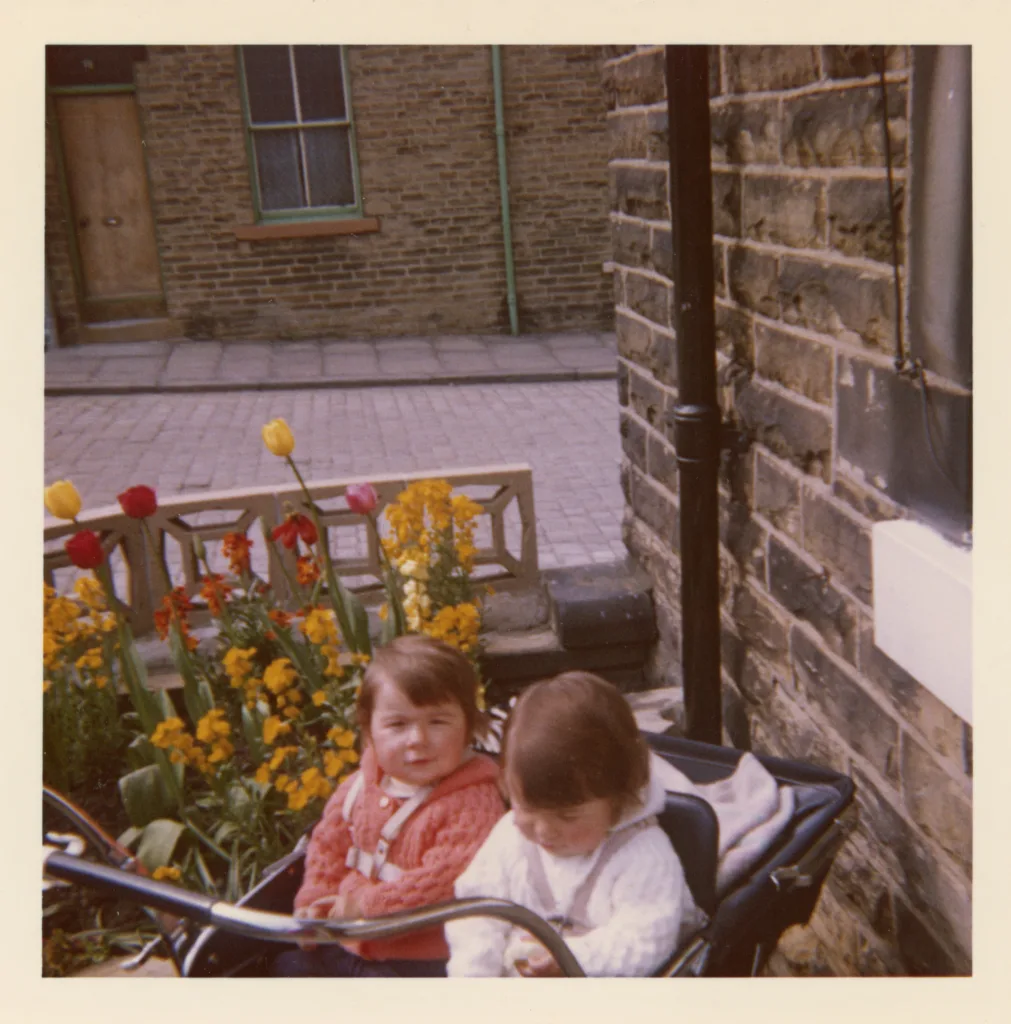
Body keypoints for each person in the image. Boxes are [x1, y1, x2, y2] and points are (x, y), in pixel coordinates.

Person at [271, 634, 504, 977]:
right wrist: (314, 899)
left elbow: (446, 882)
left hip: (420, 959)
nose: (417, 740)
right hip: (347, 939)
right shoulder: (360, 786)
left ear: (469, 726)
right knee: (285, 969)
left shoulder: (472, 802)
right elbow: (327, 847)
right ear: (369, 732)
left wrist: (368, 907)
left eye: (437, 722)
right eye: (397, 724)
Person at [445, 671, 703, 977]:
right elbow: (477, 914)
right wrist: (474, 979)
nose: (542, 831)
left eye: (567, 816)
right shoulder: (510, 839)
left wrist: (568, 957)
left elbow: (645, 941)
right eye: (526, 808)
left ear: (619, 799)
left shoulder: (643, 856)